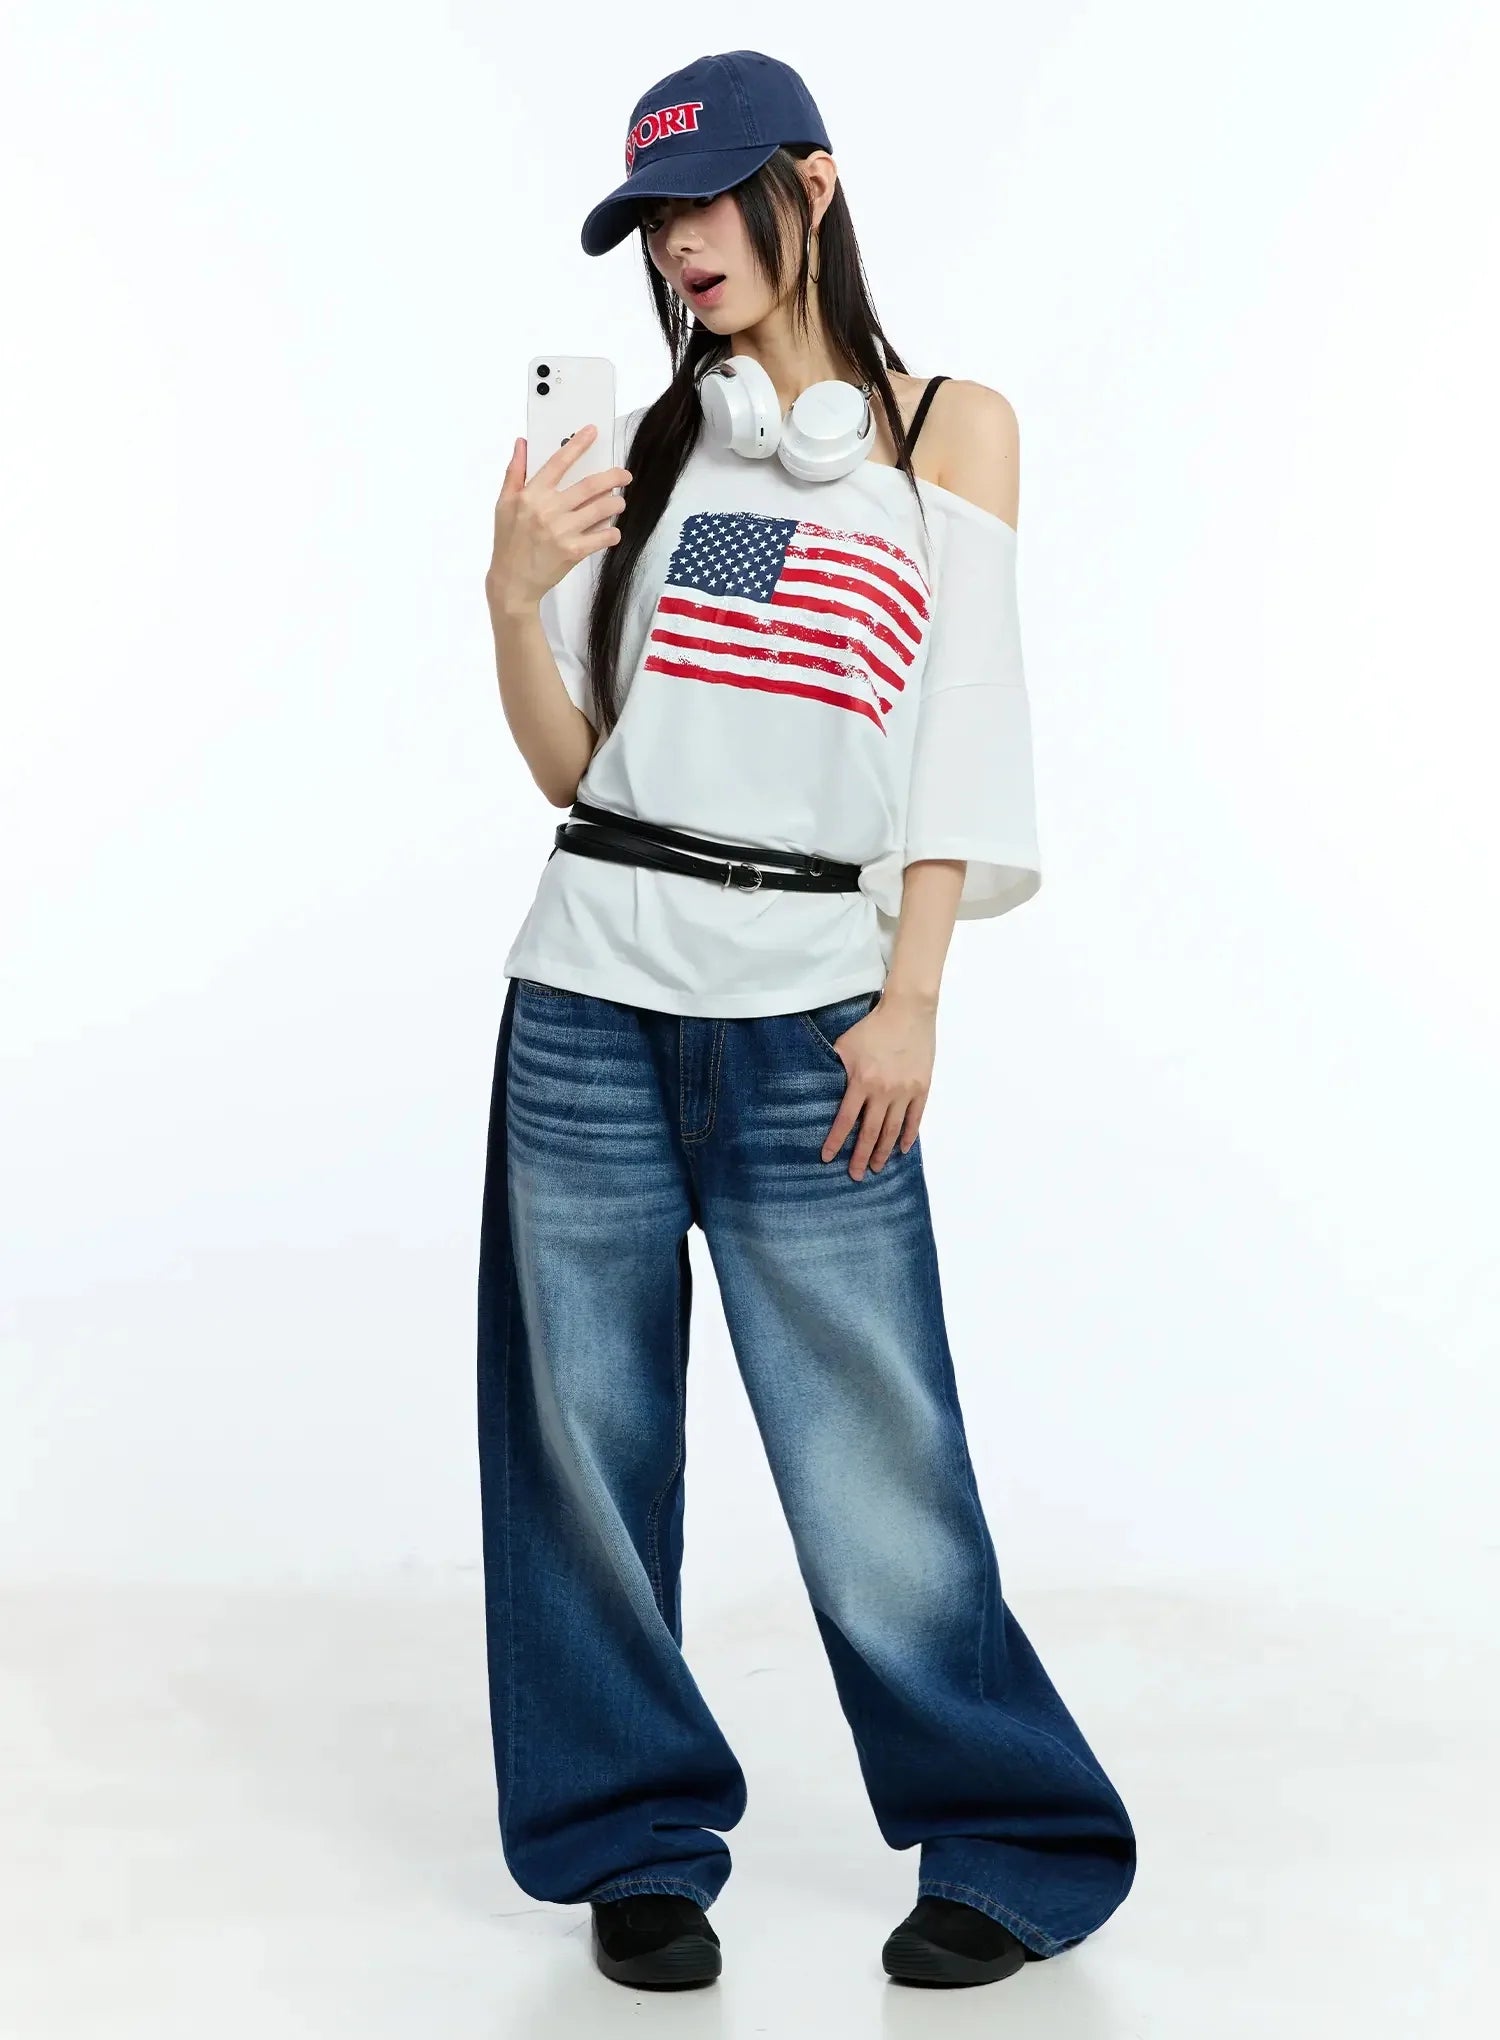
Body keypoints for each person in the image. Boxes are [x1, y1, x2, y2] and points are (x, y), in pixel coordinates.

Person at [478, 48, 1137, 1994]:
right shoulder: (652, 451)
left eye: (713, 200)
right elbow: (579, 770)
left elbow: (966, 728)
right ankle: (629, 1840)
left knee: (875, 1450)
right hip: (588, 991)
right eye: (653, 221)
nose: (683, 246)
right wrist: (511, 599)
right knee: (581, 1447)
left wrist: (911, 995)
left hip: (810, 1015)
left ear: (814, 186)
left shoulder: (945, 432)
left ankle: (1015, 1837)